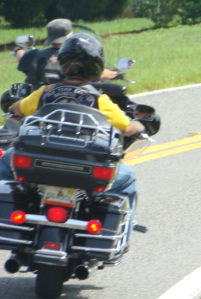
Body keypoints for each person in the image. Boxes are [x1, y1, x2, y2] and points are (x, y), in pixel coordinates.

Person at [0, 33, 145, 239]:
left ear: (63, 63)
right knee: (128, 177)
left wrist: (14, 106)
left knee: (6, 161)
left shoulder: (45, 92)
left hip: (41, 161)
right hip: (83, 166)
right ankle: (124, 233)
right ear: (96, 66)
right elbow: (127, 127)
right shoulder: (100, 100)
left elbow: (17, 108)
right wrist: (139, 125)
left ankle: (12, 208)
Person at [21, 18, 118, 87]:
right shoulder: (74, 55)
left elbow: (31, 80)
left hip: (44, 100)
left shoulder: (39, 55)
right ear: (70, 35)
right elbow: (94, 73)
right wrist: (116, 73)